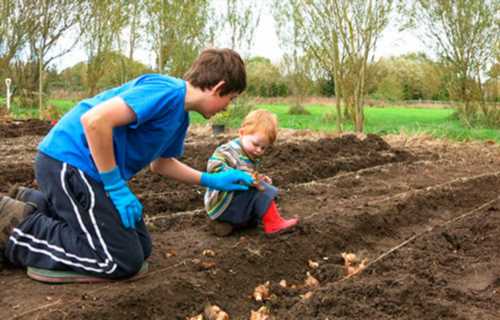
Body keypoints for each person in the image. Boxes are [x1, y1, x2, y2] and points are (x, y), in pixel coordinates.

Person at [0, 48, 254, 279]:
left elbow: (161, 164)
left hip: (87, 172)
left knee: (141, 248)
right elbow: (95, 121)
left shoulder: (180, 117)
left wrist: (210, 180)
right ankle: (16, 227)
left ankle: (34, 203)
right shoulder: (167, 91)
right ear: (218, 87)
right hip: (69, 162)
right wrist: (116, 187)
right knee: (118, 261)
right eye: (230, 98)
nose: (227, 107)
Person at [204, 109, 299, 237]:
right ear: (242, 133)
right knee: (262, 191)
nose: (259, 150)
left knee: (260, 189)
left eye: (264, 148)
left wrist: (260, 178)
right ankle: (274, 224)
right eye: (255, 144)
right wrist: (235, 175)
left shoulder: (249, 153)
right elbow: (213, 167)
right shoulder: (227, 150)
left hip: (229, 202)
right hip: (222, 201)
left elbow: (249, 173)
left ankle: (226, 223)